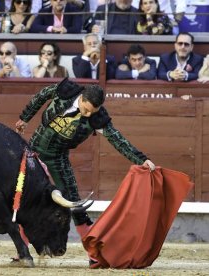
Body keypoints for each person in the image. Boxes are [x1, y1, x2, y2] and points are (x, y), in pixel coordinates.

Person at [14, 79, 155, 264]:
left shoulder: (97, 118)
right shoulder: (64, 91)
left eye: (92, 112)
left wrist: (141, 159)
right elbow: (39, 97)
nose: (87, 114)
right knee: (24, 202)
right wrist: (24, 118)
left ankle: (94, 255)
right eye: (85, 109)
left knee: (76, 206)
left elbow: (118, 140)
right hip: (33, 154)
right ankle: (22, 252)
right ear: (81, 97)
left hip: (58, 159)